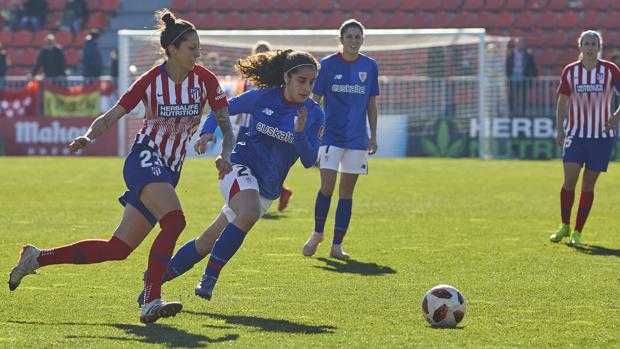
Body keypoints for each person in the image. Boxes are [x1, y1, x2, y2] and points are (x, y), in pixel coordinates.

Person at [8, 9, 235, 324]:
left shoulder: (206, 80)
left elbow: (226, 124)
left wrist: (225, 151)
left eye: (198, 47)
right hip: (144, 159)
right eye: (192, 47)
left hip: (168, 170)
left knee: (117, 248)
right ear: (171, 49)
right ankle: (152, 297)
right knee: (174, 221)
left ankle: (37, 257)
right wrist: (88, 135)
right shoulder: (151, 80)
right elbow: (113, 114)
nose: (198, 53)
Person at [135, 48, 324, 305]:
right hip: (237, 166)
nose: (307, 88)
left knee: (207, 241)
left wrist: (300, 134)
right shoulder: (262, 98)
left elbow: (309, 160)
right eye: (302, 80)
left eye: (312, 82)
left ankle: (154, 281)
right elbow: (219, 108)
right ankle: (209, 278)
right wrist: (207, 132)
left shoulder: (314, 113)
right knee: (248, 212)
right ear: (286, 78)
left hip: (267, 188)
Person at [302, 19, 379, 260]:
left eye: (358, 37)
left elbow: (371, 103)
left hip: (356, 140)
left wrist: (373, 135)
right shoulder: (327, 65)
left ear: (362, 40)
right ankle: (317, 234)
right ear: (341, 39)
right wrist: (312, 129)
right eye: (350, 36)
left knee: (346, 193)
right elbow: (316, 99)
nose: (354, 41)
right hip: (331, 136)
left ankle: (336, 246)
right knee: (326, 187)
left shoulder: (370, 66)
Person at [549, 30, 620, 246]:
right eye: (586, 43)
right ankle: (564, 225)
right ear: (580, 47)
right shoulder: (570, 71)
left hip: (601, 136)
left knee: (588, 185)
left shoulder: (610, 70)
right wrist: (560, 128)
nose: (590, 47)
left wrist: (617, 116)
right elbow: (562, 101)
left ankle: (578, 231)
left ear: (600, 47)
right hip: (576, 134)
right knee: (569, 179)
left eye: (593, 43)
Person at [234, 40, 293, 212]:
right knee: (242, 159)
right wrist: (238, 117)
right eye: (257, 52)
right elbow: (243, 99)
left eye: (263, 53)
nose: (259, 56)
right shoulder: (247, 77)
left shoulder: (272, 79)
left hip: (259, 125)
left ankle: (250, 199)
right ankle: (248, 196)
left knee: (255, 161)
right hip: (245, 123)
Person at [506, 37, 538, 116]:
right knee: (512, 94)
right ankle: (512, 111)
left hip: (523, 75)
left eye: (522, 43)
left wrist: (534, 76)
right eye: (519, 43)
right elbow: (507, 65)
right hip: (513, 75)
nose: (520, 45)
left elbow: (533, 66)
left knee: (523, 95)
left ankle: (523, 112)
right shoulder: (511, 53)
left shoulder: (528, 54)